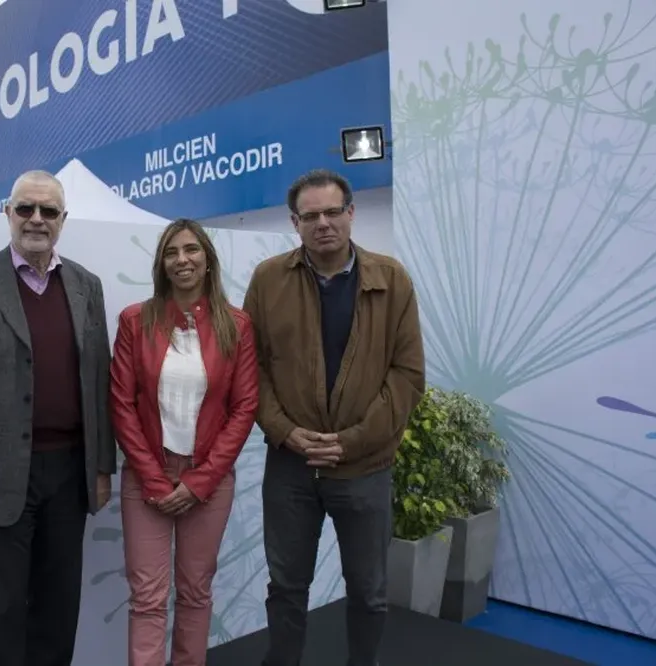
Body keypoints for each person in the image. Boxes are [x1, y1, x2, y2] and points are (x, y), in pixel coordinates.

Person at [0, 170, 116, 666]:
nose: (37, 220)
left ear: (63, 221)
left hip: (69, 474)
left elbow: (99, 381)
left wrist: (101, 467)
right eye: (26, 209)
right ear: (7, 213)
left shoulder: (86, 285)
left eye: (48, 211)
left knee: (58, 611)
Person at [242, 169, 425, 666]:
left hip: (364, 468)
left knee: (369, 592)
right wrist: (285, 432)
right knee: (286, 588)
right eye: (310, 216)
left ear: (351, 214)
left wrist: (352, 441)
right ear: (294, 223)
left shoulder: (392, 279)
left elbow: (407, 376)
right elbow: (249, 367)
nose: (323, 224)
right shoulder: (267, 279)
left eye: (331, 212)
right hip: (290, 468)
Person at [109, 218, 259, 666]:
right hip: (147, 479)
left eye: (191, 250)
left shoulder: (237, 325)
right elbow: (121, 405)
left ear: (208, 260)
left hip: (207, 481)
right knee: (148, 598)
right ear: (161, 264)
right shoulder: (135, 321)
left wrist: (199, 481)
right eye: (171, 253)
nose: (182, 260)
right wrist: (155, 481)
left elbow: (244, 407)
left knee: (195, 592)